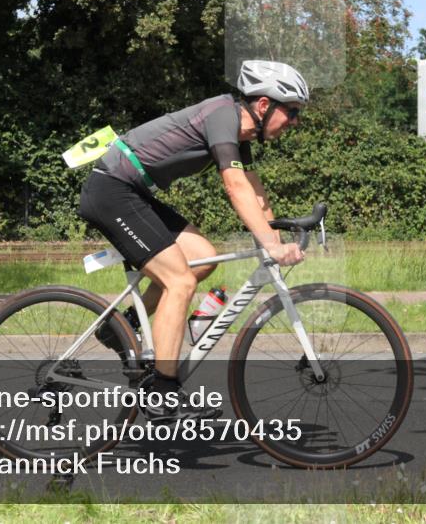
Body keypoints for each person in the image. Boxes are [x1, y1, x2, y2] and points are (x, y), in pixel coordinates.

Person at [77, 60, 307, 422]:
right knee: (180, 281)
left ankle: (121, 327)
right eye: (291, 111)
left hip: (134, 192)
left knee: (203, 256)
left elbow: (254, 191)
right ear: (264, 106)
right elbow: (234, 187)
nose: (295, 122)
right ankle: (163, 391)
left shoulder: (240, 132)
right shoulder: (223, 116)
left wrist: (275, 239)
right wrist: (271, 245)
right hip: (112, 189)